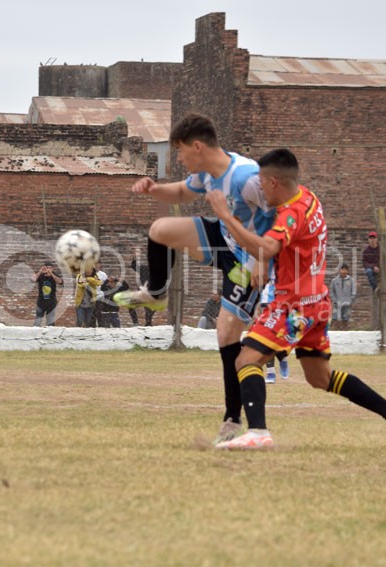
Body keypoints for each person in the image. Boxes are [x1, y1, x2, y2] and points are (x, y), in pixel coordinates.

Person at [205, 148, 386, 450]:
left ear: (274, 181)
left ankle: (259, 432)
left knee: (246, 359)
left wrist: (226, 215)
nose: (260, 191)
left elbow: (268, 245)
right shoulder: (309, 199)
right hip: (317, 303)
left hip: (294, 305)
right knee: (320, 377)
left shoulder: (291, 214)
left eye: (262, 184)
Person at [114, 113, 276, 445]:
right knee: (161, 230)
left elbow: (278, 213)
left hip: (249, 258)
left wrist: (262, 258)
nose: (179, 158)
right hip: (224, 239)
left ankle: (233, 417)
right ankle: (157, 292)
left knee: (226, 332)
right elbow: (180, 194)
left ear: (197, 146)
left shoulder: (246, 177)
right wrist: (154, 188)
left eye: (180, 151)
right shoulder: (205, 174)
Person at [258, 279, 289, 384]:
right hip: (266, 302)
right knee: (268, 337)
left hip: (282, 302)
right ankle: (271, 372)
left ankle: (282, 357)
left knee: (279, 336)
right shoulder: (265, 265)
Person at [128, 248, 154, 326]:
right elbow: (134, 266)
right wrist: (135, 257)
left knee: (149, 309)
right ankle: (136, 323)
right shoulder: (144, 268)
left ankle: (148, 323)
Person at [32, 261, 63, 326]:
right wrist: (40, 271)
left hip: (51, 303)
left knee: (50, 322)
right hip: (41, 302)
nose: (48, 269)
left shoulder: (54, 275)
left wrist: (51, 273)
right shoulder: (41, 275)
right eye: (47, 268)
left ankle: (51, 335)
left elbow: (60, 282)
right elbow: (33, 280)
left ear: (52, 269)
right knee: (37, 321)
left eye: (50, 268)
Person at [329, 263, 356, 330]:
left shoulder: (351, 281)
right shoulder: (334, 281)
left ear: (347, 271)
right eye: (342, 269)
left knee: (346, 316)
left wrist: (351, 300)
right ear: (339, 270)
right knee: (335, 316)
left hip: (347, 302)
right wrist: (334, 300)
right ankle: (335, 329)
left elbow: (354, 291)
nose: (343, 271)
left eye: (345, 270)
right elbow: (331, 291)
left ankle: (345, 329)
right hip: (337, 302)